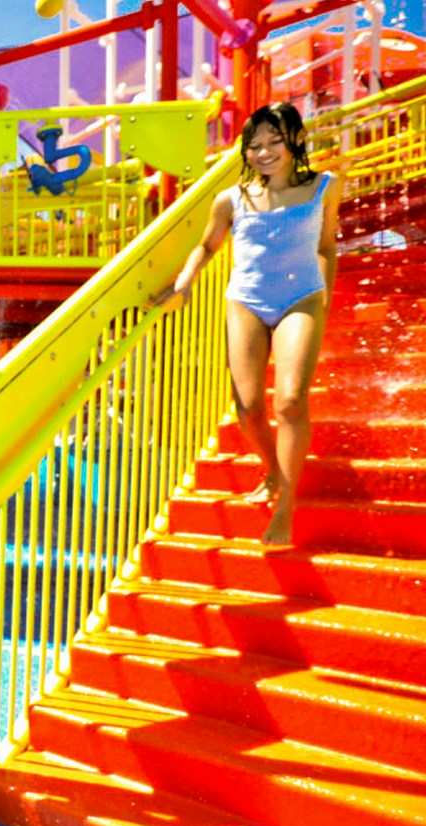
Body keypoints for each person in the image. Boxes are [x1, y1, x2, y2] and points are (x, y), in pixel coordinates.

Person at [154, 102, 340, 546]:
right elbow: (206, 247)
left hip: (302, 298)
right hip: (246, 303)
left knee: (291, 401)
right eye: (255, 145)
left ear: (295, 140)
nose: (265, 152)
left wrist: (326, 297)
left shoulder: (325, 187)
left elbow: (328, 246)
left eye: (275, 141)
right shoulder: (231, 199)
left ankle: (287, 501)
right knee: (248, 408)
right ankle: (273, 471)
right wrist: (183, 283)